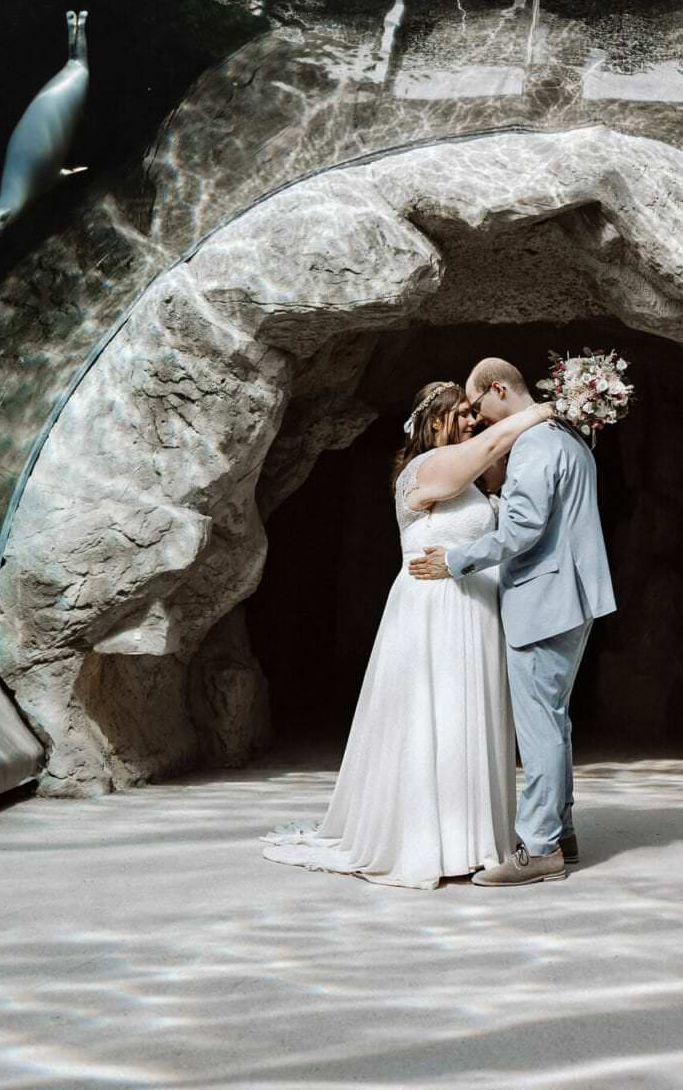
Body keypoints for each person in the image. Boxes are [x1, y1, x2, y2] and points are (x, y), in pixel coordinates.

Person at [261, 380, 555, 887]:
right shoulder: (423, 470)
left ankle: (472, 839)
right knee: (435, 717)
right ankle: (428, 840)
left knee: (471, 715)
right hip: (434, 611)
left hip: (477, 610)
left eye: (472, 413)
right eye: (461, 413)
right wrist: (547, 408)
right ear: (433, 420)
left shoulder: (471, 476)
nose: (471, 421)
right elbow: (488, 446)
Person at [408, 357, 616, 886]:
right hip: (573, 596)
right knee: (556, 717)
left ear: (498, 389)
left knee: (540, 724)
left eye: (477, 405)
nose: (477, 418)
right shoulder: (569, 437)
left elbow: (521, 528)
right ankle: (561, 831)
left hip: (543, 599)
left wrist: (455, 561)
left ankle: (540, 848)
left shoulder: (536, 444)